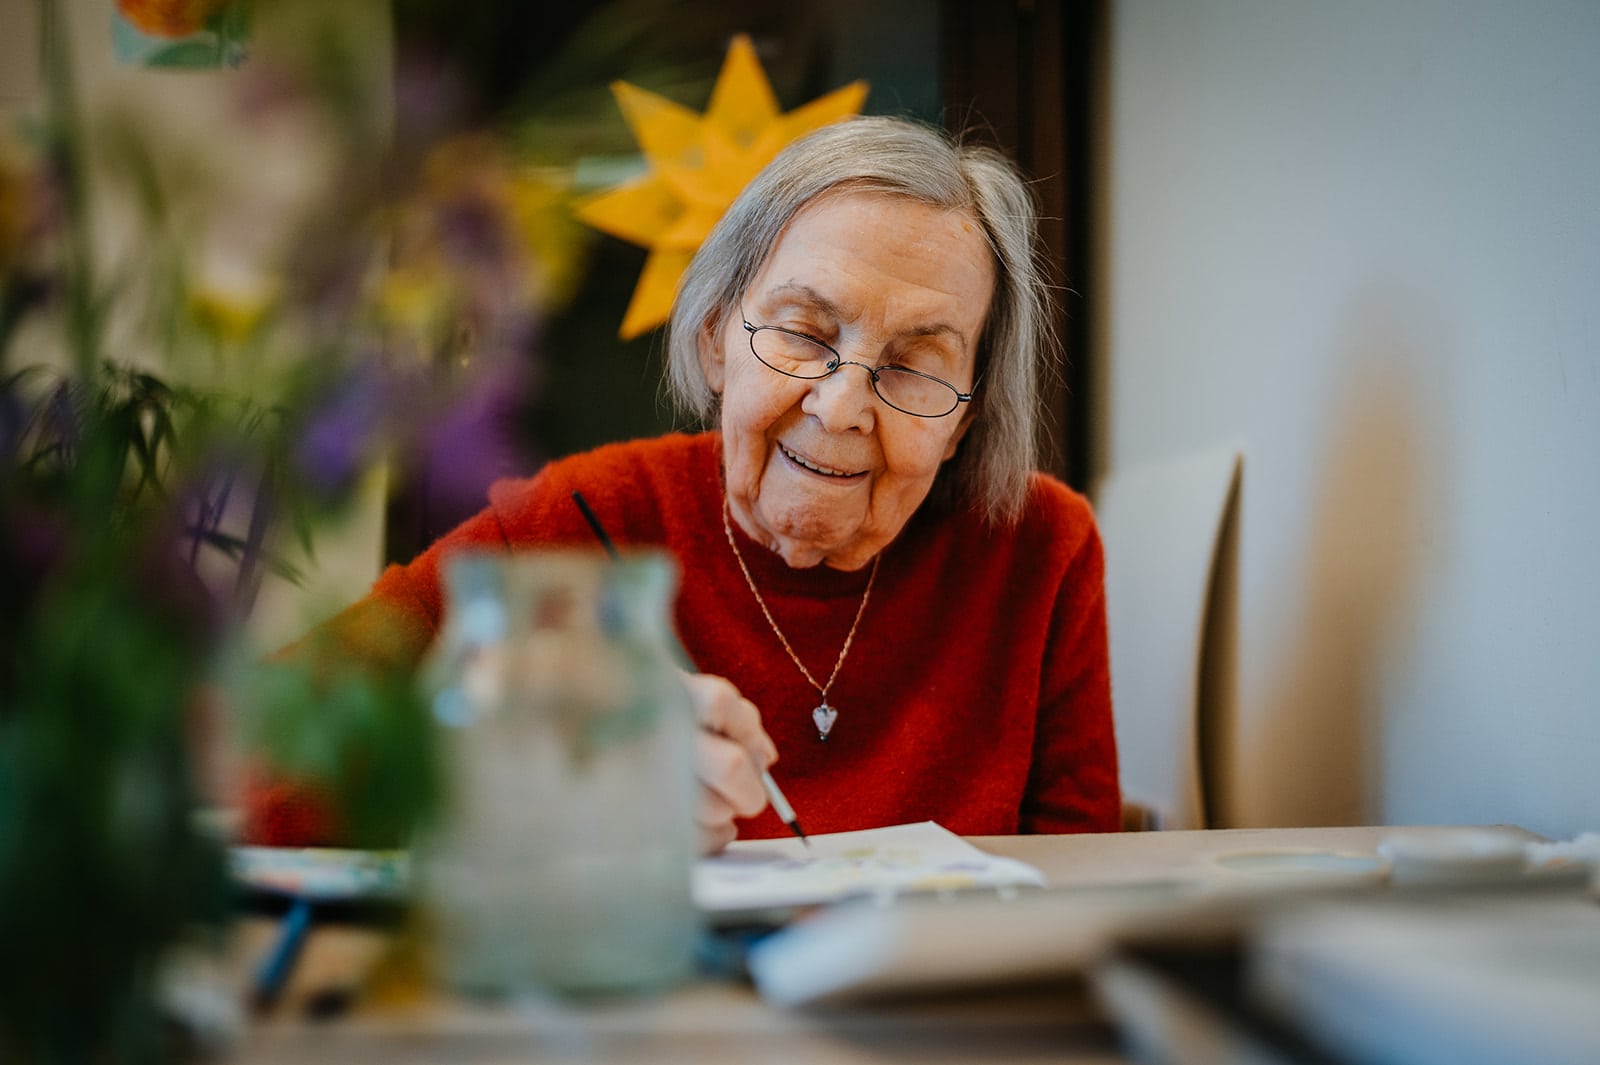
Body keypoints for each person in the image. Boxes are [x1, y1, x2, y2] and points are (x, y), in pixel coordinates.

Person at [247, 114, 1119, 854]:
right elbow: (264, 756)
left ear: (967, 419)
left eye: (916, 366)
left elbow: (1080, 887)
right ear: (714, 343)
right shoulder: (580, 520)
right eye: (806, 333)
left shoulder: (1040, 551)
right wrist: (506, 745)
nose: (844, 404)